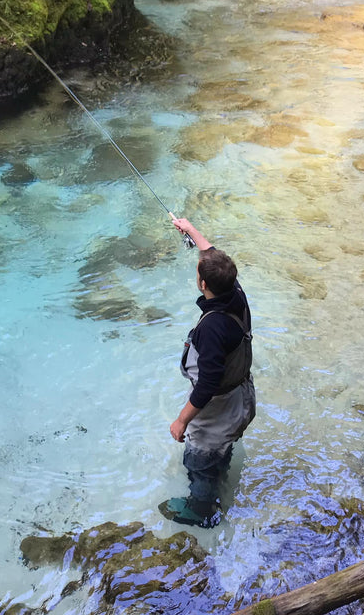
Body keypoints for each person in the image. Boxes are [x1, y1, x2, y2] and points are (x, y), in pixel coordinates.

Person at [159, 216, 256, 528]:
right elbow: (213, 255)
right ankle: (220, 474)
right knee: (219, 451)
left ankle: (201, 510)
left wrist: (180, 421)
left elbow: (208, 384)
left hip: (219, 408)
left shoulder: (212, 328)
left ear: (203, 284)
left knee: (198, 462)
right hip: (242, 396)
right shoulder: (236, 293)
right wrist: (190, 231)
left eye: (199, 272)